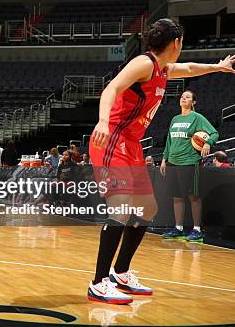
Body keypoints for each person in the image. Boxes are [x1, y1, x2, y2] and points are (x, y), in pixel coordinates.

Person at [88, 18, 234, 304]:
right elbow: (110, 89)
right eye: (182, 42)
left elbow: (190, 69)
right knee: (120, 207)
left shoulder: (163, 68)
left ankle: (121, 273)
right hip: (112, 139)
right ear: (176, 43)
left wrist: (216, 67)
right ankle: (98, 282)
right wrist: (103, 121)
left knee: (148, 208)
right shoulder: (144, 63)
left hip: (130, 145)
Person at [161, 90, 218, 243]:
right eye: (182, 96)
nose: (183, 98)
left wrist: (207, 142)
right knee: (177, 196)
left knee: (193, 196)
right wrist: (164, 158)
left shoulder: (197, 118)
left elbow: (214, 133)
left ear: (193, 102)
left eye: (187, 97)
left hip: (189, 161)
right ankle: (178, 228)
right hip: (173, 160)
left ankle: (197, 230)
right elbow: (169, 140)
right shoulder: (175, 119)